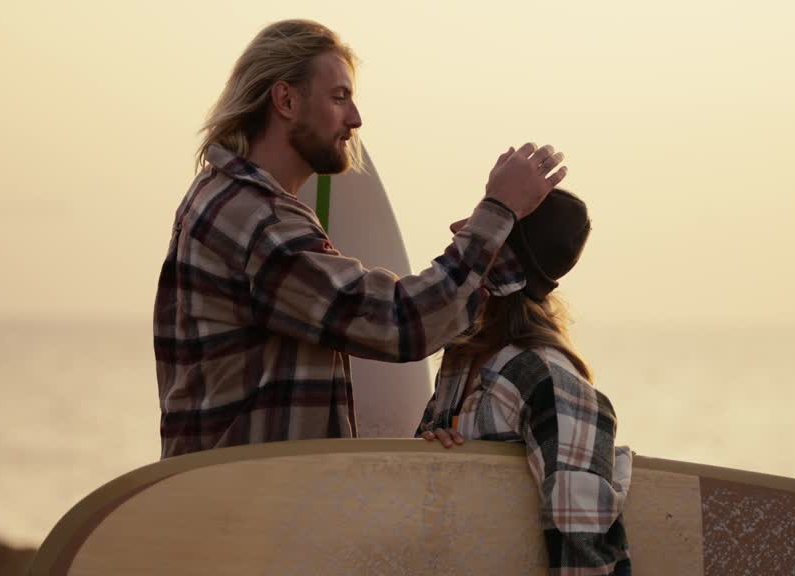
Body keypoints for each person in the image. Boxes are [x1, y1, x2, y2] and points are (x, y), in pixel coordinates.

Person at [155, 19, 568, 458]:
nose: (355, 119)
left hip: (233, 500)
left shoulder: (224, 196)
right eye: (339, 97)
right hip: (240, 509)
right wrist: (498, 212)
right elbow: (400, 322)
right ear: (286, 99)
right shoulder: (256, 220)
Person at [417, 189, 632, 576]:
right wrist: (427, 462)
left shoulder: (546, 379)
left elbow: (585, 552)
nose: (456, 232)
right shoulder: (464, 362)